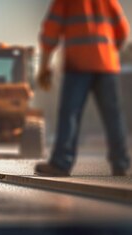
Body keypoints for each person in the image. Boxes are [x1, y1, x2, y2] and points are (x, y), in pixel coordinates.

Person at [35, 0, 130, 177]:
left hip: (77, 64)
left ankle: (61, 163)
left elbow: (50, 33)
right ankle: (121, 163)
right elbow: (123, 32)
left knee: (70, 113)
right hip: (106, 64)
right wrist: (107, 50)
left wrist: (44, 66)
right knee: (113, 115)